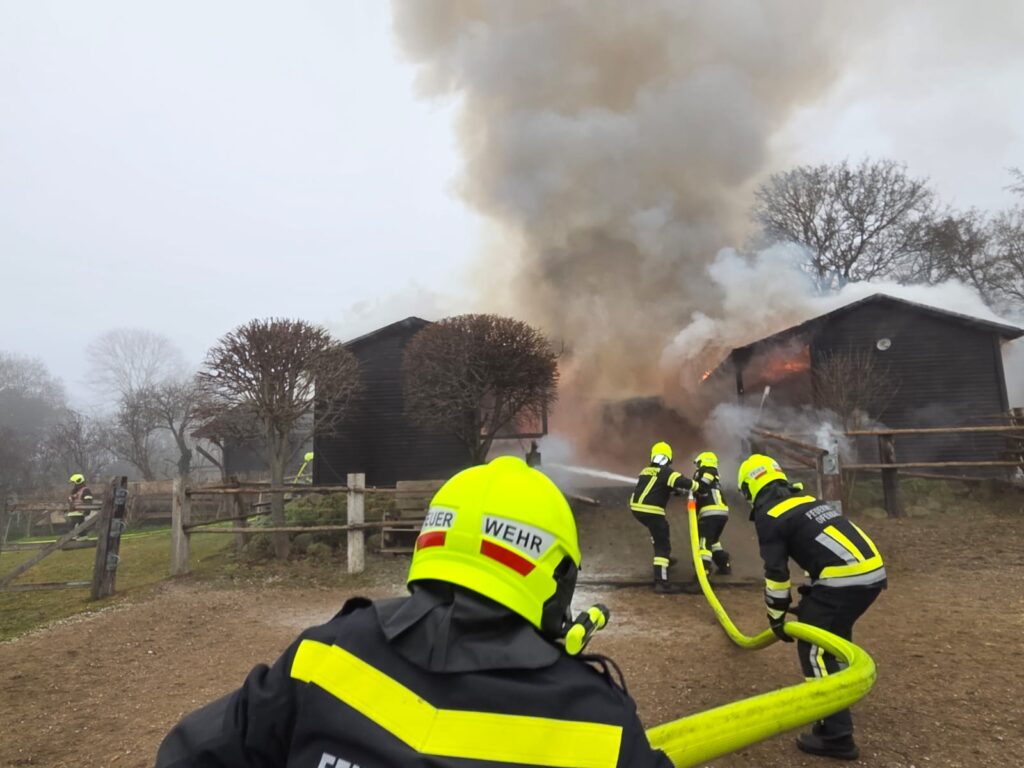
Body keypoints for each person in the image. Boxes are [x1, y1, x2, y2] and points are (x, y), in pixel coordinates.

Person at [156, 456, 673, 768]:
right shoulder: (602, 728)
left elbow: (189, 754)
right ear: (558, 580)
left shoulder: (325, 656)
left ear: (431, 540)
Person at [737, 454, 887, 761]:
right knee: (835, 636)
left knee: (814, 649)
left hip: (843, 580)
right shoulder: (807, 501)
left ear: (749, 488)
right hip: (872, 573)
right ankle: (841, 698)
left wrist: (776, 616)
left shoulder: (770, 514)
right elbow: (818, 549)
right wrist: (813, 590)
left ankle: (835, 734)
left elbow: (776, 574)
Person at [629, 441, 708, 594]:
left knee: (659, 531)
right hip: (652, 511)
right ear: (668, 458)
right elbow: (681, 481)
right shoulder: (666, 472)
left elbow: (657, 487)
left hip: (637, 510)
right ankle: (661, 582)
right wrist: (698, 487)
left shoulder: (645, 471)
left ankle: (665, 560)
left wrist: (675, 491)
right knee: (662, 544)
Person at [691, 451, 731, 576]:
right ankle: (724, 565)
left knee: (704, 543)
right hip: (721, 513)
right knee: (714, 541)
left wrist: (689, 486)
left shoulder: (708, 470)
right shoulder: (715, 477)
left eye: (698, 463)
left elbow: (701, 486)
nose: (697, 467)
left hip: (709, 513)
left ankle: (703, 572)